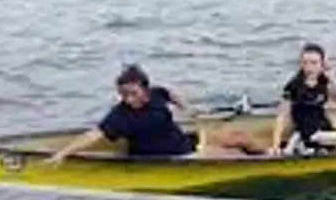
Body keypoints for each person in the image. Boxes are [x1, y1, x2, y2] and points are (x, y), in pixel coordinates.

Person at [45, 64, 263, 165]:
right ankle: (263, 164)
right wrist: (62, 153)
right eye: (123, 95)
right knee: (233, 156)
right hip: (173, 156)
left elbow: (169, 93)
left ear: (145, 89)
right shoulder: (120, 116)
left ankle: (276, 154)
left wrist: (187, 108)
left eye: (133, 93)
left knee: (239, 136)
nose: (128, 99)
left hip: (185, 141)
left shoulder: (156, 94)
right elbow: (93, 135)